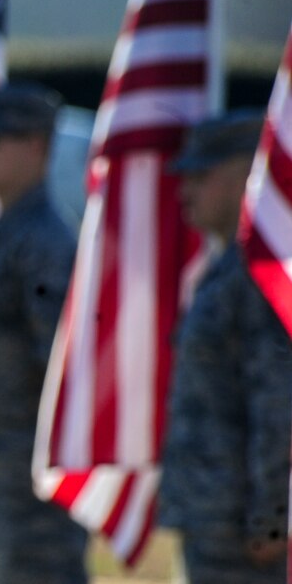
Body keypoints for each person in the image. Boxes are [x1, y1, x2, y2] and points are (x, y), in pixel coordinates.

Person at [0, 84, 88, 584]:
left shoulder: (44, 242)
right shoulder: (8, 233)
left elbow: (63, 371)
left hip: (32, 492)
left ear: (37, 146)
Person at [158, 110, 292, 584]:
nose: (184, 191)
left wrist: (272, 519)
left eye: (201, 175)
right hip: (215, 518)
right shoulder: (229, 270)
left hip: (241, 530)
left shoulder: (261, 278)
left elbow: (278, 402)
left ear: (247, 172)